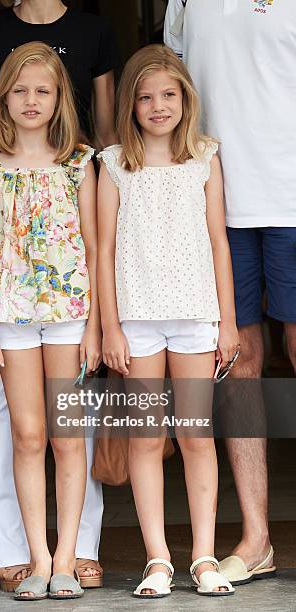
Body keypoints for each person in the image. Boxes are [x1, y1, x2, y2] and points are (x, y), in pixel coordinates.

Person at [0, 0, 119, 590]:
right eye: (20, 90)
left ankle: (70, 554)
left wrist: (99, 327)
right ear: (3, 98)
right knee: (26, 434)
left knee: (67, 436)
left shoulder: (80, 164)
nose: (31, 100)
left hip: (71, 318)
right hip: (11, 319)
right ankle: (39, 558)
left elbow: (99, 251)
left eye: (43, 92)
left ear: (59, 99)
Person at [97, 44, 238, 598]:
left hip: (197, 317)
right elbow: (103, 249)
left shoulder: (204, 156)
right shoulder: (115, 164)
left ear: (185, 98)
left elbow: (220, 243)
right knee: (146, 439)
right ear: (131, 104)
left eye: (169, 95)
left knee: (197, 436)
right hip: (138, 321)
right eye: (146, 97)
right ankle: (158, 557)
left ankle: (203, 555)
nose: (158, 106)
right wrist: (110, 327)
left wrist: (227, 321)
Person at [164, 0, 296, 584]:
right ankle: (257, 537)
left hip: (292, 198)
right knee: (237, 362)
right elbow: (170, 87)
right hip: (216, 202)